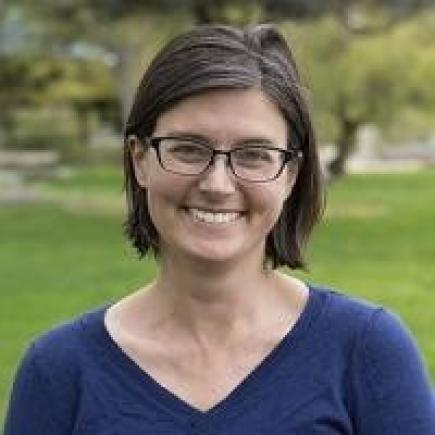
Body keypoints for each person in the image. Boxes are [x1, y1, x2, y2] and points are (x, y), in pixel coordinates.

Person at [4, 24, 434, 434]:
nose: (216, 184)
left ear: (291, 174)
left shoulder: (366, 352)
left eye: (254, 154)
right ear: (139, 159)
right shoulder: (59, 372)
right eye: (188, 149)